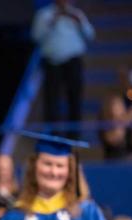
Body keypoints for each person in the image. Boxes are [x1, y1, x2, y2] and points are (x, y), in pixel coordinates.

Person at [31, 0, 95, 129]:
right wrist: (52, 21)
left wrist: (80, 22)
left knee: (75, 98)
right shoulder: (44, 14)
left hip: (73, 61)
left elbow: (91, 35)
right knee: (52, 99)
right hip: (52, 62)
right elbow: (35, 36)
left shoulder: (77, 13)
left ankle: (75, 133)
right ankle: (52, 134)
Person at [98, 94, 132, 161]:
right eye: (117, 105)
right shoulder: (106, 125)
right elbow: (116, 138)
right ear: (110, 108)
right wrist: (126, 120)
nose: (121, 108)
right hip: (114, 162)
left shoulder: (128, 122)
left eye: (121, 104)